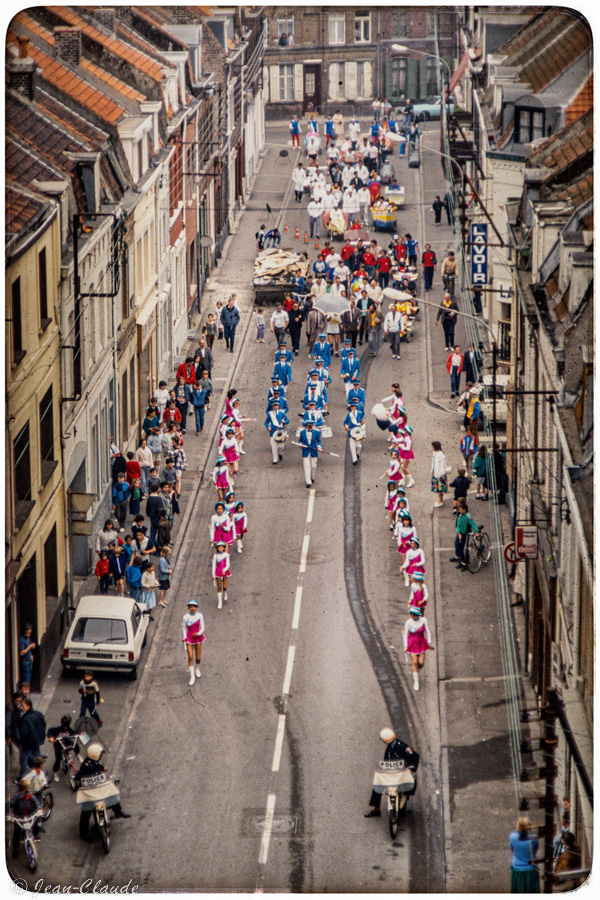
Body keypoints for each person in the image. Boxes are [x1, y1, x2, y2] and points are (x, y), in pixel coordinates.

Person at [76, 743, 130, 841]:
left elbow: (98, 767)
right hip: (90, 792)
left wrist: (102, 769)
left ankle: (118, 812)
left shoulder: (94, 762)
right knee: (86, 811)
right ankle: (83, 833)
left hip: (98, 789)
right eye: (100, 754)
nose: (101, 756)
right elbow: (79, 776)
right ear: (95, 755)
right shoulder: (86, 766)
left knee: (112, 795)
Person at [364, 728, 420, 817]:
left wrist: (410, 769)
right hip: (393, 774)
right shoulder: (389, 749)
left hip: (403, 774)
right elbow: (386, 762)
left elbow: (415, 757)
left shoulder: (402, 747)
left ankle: (404, 801)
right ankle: (376, 809)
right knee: (378, 784)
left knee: (410, 783)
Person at [9, 779, 43, 858]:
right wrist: (8, 814)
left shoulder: (30, 795)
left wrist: (38, 810)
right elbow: (9, 805)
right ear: (26, 787)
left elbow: (36, 803)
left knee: (34, 825)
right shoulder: (17, 797)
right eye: (28, 786)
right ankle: (15, 849)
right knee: (17, 832)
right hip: (19, 817)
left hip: (29, 815)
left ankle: (33, 836)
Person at [403, 606, 434, 691]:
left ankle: (415, 671)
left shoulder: (423, 620)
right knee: (415, 662)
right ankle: (416, 681)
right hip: (412, 643)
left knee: (421, 663)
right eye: (411, 614)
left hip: (421, 643)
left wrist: (429, 642)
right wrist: (405, 646)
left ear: (418, 614)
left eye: (414, 614)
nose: (412, 616)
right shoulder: (408, 622)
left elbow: (428, 631)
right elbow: (405, 634)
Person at [15, 698, 46, 778]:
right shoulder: (38, 714)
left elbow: (24, 733)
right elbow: (43, 725)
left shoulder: (24, 719)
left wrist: (21, 741)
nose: (21, 707)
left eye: (23, 706)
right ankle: (41, 774)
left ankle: (22, 777)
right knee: (37, 756)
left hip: (27, 743)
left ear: (28, 706)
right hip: (37, 740)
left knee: (23, 760)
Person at [509, 817, 540, 893]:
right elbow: (535, 850)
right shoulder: (533, 838)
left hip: (517, 867)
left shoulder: (512, 837)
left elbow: (512, 848)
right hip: (531, 868)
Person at [46, 714, 77, 783]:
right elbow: (50, 731)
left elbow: (74, 732)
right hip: (58, 745)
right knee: (58, 758)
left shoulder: (69, 729)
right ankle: (55, 773)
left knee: (75, 746)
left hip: (66, 744)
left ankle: (75, 755)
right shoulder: (58, 729)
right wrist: (51, 737)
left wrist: (79, 734)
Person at [452, 501, 478, 570]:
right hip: (460, 534)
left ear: (464, 510)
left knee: (464, 549)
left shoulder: (468, 516)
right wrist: (458, 533)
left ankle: (465, 563)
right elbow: (458, 525)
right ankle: (462, 562)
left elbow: (473, 524)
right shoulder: (460, 515)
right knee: (459, 547)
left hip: (466, 534)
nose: (459, 511)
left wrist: (476, 531)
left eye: (460, 509)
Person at [298, 420, 322, 488]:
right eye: (309, 426)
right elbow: (300, 440)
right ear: (306, 426)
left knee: (313, 466)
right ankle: (308, 482)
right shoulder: (302, 432)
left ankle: (312, 477)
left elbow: (319, 440)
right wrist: (300, 444)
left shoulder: (317, 432)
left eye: (311, 426)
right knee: (306, 467)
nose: (310, 427)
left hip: (313, 451)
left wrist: (319, 447)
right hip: (305, 451)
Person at [265, 399, 289, 465]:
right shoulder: (270, 414)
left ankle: (280, 453)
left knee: (280, 446)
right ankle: (275, 459)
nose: (275, 406)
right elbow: (266, 422)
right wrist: (268, 427)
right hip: (273, 432)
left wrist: (284, 422)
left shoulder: (282, 413)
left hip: (280, 431)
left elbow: (287, 420)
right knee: (273, 446)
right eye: (274, 405)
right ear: (272, 406)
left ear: (278, 406)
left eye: (277, 405)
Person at [344, 400, 365, 465]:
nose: (353, 408)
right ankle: (354, 460)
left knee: (358, 446)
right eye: (352, 407)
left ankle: (358, 454)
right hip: (351, 431)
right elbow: (345, 422)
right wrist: (346, 425)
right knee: (352, 446)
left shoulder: (360, 413)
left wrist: (362, 422)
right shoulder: (349, 414)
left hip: (358, 431)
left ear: (356, 407)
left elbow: (362, 420)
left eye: (354, 406)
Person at [212, 541, 231, 610]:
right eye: (219, 547)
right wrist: (213, 574)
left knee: (224, 586)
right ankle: (220, 601)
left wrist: (225, 570)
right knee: (219, 586)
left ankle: (225, 592)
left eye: (222, 547)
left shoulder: (226, 555)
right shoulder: (215, 556)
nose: (220, 548)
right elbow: (214, 565)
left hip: (224, 572)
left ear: (224, 548)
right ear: (217, 548)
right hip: (218, 571)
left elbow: (228, 564)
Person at [431, 440, 449, 508]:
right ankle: (440, 500)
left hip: (440, 475)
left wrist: (442, 474)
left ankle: (440, 501)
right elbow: (433, 463)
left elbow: (442, 465)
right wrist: (432, 470)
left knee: (440, 489)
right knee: (438, 489)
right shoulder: (435, 453)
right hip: (435, 473)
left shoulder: (441, 455)